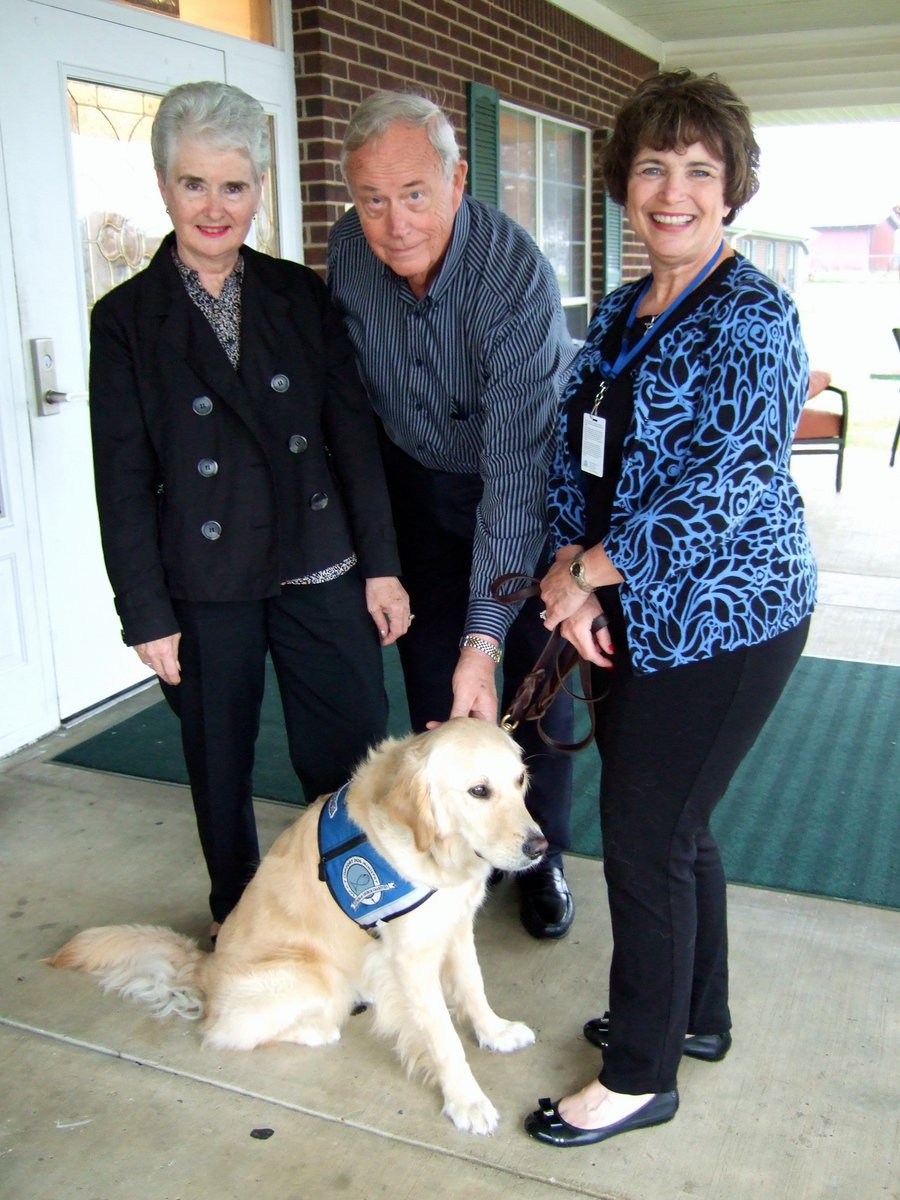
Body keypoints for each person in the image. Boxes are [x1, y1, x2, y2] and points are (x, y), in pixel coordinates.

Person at [523, 69, 817, 1146]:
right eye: (653, 167)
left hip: (726, 616)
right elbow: (578, 451)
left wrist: (588, 574)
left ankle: (640, 1074)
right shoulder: (621, 308)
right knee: (677, 824)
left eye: (699, 169)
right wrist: (572, 569)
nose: (674, 192)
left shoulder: (754, 315)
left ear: (732, 187)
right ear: (624, 182)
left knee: (646, 835)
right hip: (623, 606)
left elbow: (726, 485)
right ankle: (695, 1014)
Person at [89, 81, 409, 943]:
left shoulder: (299, 296)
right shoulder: (125, 320)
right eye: (194, 184)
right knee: (219, 761)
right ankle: (239, 920)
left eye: (234, 185)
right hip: (204, 579)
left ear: (260, 188)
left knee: (347, 753)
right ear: (163, 186)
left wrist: (381, 566)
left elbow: (352, 439)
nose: (215, 207)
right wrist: (145, 612)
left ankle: (352, 910)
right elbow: (122, 480)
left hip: (319, 558)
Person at [327, 90, 579, 939]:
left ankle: (542, 857)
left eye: (414, 194)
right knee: (440, 682)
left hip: (515, 490)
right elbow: (351, 408)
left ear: (457, 178)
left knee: (530, 683)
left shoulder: (514, 275)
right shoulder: (347, 255)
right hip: (414, 489)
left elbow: (515, 469)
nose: (394, 223)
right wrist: (378, 553)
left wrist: (488, 635)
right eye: (372, 199)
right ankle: (459, 850)